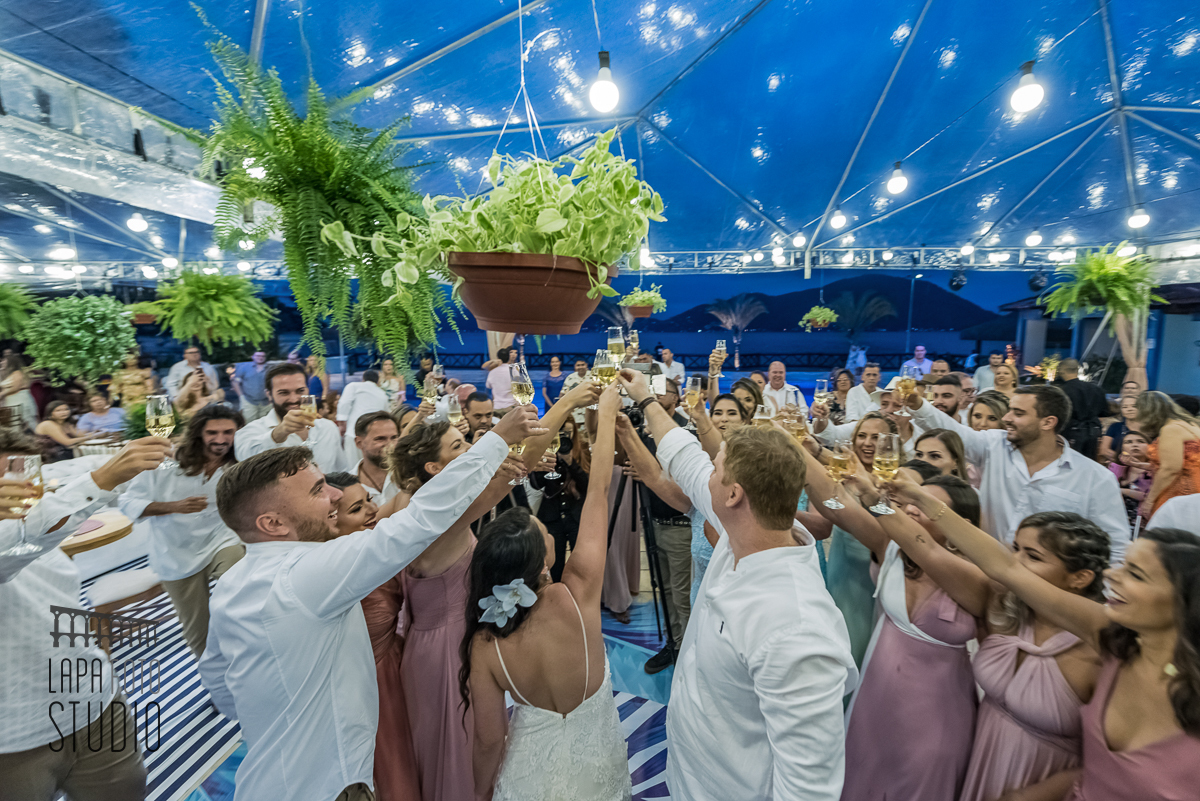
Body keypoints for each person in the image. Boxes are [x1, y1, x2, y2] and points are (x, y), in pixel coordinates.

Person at [198, 405, 542, 801]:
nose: (333, 494)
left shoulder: (232, 583)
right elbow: (419, 521)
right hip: (329, 787)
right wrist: (497, 439)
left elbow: (219, 681)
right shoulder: (306, 574)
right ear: (272, 524)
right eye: (317, 491)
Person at [615, 369, 856, 800]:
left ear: (734, 495)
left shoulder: (797, 631)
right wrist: (647, 400)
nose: (706, 473)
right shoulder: (741, 529)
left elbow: (809, 790)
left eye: (716, 468)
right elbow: (684, 456)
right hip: (688, 774)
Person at [892, 482, 1200, 801]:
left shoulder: (1110, 649)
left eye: (1135, 574)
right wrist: (919, 499)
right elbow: (1006, 568)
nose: (1112, 575)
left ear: (1182, 601)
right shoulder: (1110, 633)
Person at [379, 387, 586, 801]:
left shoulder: (412, 504)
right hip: (445, 652)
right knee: (460, 747)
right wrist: (568, 402)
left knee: (449, 743)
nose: (472, 449)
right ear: (434, 467)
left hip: (433, 642)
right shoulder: (435, 515)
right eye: (459, 446)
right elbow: (519, 467)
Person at [461, 383, 628, 801]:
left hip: (527, 778)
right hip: (597, 769)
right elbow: (599, 491)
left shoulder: (484, 641)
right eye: (543, 533)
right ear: (542, 562)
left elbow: (488, 740)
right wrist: (606, 415)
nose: (548, 531)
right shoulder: (577, 592)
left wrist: (480, 793)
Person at [0, 435, 171, 801]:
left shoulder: (38, 529)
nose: (14, 487)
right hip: (12, 740)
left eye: (21, 473)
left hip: (96, 705)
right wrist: (102, 479)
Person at [904, 384, 1131, 559]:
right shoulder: (994, 445)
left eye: (1018, 413)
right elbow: (952, 432)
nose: (1006, 418)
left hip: (1045, 587)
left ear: (1048, 422)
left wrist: (1104, 599)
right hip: (984, 568)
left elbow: (1115, 545)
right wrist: (917, 404)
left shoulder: (1095, 478)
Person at [322, 472, 421, 801]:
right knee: (393, 767)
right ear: (331, 521)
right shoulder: (336, 574)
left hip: (398, 661)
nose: (372, 510)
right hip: (371, 684)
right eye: (356, 509)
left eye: (369, 500)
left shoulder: (372, 543)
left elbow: (405, 499)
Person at [118, 406, 246, 656]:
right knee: (198, 630)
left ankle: (244, 646)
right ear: (198, 433)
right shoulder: (165, 461)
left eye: (228, 432)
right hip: (174, 552)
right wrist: (173, 507)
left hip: (221, 539)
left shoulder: (241, 462)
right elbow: (128, 502)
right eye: (212, 432)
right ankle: (213, 673)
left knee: (238, 578)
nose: (221, 439)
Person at [234, 363, 346, 473]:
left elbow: (341, 470)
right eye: (284, 393)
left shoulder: (328, 428)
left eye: (300, 391)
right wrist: (279, 433)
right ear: (269, 395)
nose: (294, 399)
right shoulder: (251, 431)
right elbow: (246, 459)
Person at [529, 416, 589, 583]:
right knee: (554, 565)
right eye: (560, 433)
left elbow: (588, 486)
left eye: (568, 433)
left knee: (580, 564)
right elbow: (536, 484)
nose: (564, 437)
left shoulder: (582, 450)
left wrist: (571, 463)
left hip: (576, 515)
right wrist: (544, 463)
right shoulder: (546, 451)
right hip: (552, 516)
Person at [1136, 390, 1200, 518]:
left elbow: (1170, 469)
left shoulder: (1171, 429)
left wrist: (1150, 500)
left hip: (1179, 494)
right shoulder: (1191, 424)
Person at [1056, 358, 1108, 460]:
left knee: (1070, 460)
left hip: (1071, 432)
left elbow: (1058, 413)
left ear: (1061, 371)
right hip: (1093, 432)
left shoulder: (1062, 391)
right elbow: (1103, 413)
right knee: (1089, 461)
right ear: (1077, 370)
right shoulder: (1096, 389)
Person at [338, 370, 390, 464]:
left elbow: (344, 403)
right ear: (377, 381)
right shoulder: (383, 395)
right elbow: (386, 416)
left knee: (352, 467)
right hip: (374, 439)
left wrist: (341, 424)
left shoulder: (353, 386)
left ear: (363, 379)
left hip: (353, 434)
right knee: (371, 466)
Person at [351, 411, 401, 505]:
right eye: (380, 439)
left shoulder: (409, 476)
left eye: (394, 438)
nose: (390, 445)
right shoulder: (346, 486)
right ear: (359, 443)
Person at [1110, 430, 1154, 526]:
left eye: (1140, 441)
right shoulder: (1115, 469)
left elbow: (1147, 496)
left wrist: (1121, 491)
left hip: (1144, 522)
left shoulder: (1156, 471)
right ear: (1122, 448)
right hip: (1115, 520)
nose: (1135, 445)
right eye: (1128, 442)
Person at [232, 350, 272, 422]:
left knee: (266, 423)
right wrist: (241, 396)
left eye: (262, 356)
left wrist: (271, 398)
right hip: (249, 401)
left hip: (266, 402)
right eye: (258, 356)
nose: (260, 358)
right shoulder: (244, 367)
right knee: (248, 422)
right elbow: (235, 382)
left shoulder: (270, 368)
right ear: (252, 357)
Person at [1100, 394, 1140, 464]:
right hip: (1118, 465)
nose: (1129, 409)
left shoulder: (1147, 427)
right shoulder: (1114, 426)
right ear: (1121, 410)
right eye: (1125, 407)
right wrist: (1122, 459)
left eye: (1134, 406)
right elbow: (1104, 450)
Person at [0, 354, 37, 429]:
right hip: (12, 401)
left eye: (4, 361)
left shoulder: (17, 373)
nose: (2, 363)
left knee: (25, 422)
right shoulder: (9, 374)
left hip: (20, 400)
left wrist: (2, 394)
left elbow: (15, 387)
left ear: (11, 363)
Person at [486, 347, 518, 411]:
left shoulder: (492, 372)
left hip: (497, 406)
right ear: (509, 357)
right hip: (511, 406)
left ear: (498, 357)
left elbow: (488, 386)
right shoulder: (514, 371)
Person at [561, 358, 590, 426]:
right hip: (575, 414)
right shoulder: (570, 378)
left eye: (582, 365)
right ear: (575, 366)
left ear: (586, 365)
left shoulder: (593, 376)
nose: (580, 367)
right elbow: (562, 395)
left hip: (591, 413)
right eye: (578, 365)